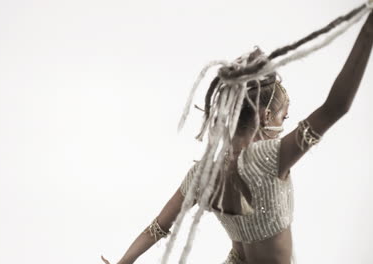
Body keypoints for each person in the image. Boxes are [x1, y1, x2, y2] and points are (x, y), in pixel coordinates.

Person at [101, 4, 373, 264]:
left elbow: (157, 228)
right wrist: (368, 33)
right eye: (283, 116)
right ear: (266, 117)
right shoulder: (271, 158)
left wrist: (124, 261)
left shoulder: (202, 174)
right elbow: (335, 107)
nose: (284, 124)